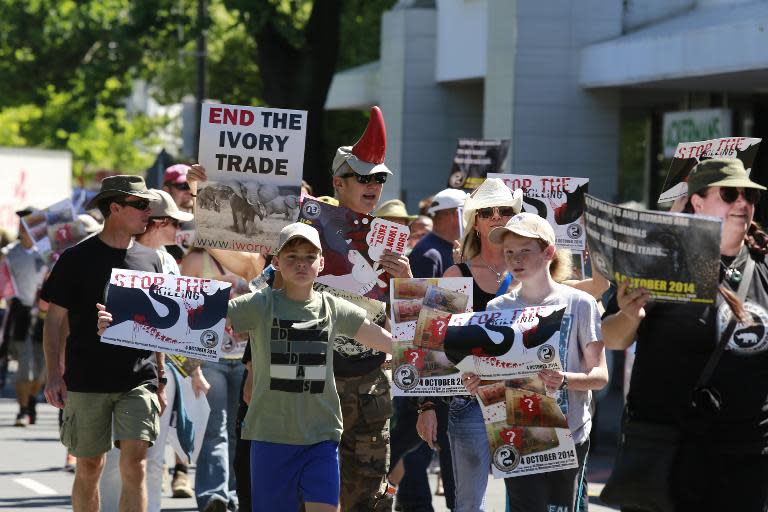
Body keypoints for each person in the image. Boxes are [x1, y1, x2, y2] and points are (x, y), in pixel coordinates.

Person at [98, 222, 395, 512]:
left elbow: (390, 342)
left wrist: (429, 339)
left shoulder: (334, 307)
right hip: (269, 438)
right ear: (276, 261)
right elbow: (189, 318)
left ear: (322, 262)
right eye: (292, 257)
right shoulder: (260, 304)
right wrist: (119, 321)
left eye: (309, 257)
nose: (301, 264)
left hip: (322, 436)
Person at [602, 158, 768, 511]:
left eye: (749, 195)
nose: (742, 203)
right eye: (729, 193)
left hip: (748, 458)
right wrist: (630, 316)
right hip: (671, 456)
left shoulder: (764, 265)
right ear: (698, 201)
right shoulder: (659, 259)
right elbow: (611, 338)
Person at [41, 175, 165, 512]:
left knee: (135, 465)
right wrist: (54, 374)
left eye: (149, 205)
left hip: (138, 378)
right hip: (86, 379)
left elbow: (160, 327)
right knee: (89, 467)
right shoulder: (74, 259)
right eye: (140, 205)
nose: (148, 212)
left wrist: (161, 379)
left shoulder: (150, 260)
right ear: (114, 208)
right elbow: (53, 322)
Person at [481, 212, 608, 512]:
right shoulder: (496, 308)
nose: (515, 259)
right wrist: (478, 383)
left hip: (569, 437)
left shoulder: (579, 303)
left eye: (525, 251)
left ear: (549, 252)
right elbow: (491, 378)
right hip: (517, 437)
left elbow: (600, 375)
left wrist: (565, 379)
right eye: (510, 252)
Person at [97, 189, 210, 512]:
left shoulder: (168, 263)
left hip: (158, 374)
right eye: (175, 223)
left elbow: (179, 325)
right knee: (118, 456)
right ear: (158, 223)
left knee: (153, 456)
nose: (179, 231)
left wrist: (193, 370)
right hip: (114, 373)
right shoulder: (115, 256)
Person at [416, 178, 522, 511]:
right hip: (469, 401)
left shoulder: (528, 271)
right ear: (475, 220)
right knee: (467, 505)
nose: (496, 217)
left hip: (523, 396)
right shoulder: (455, 274)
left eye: (504, 210)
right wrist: (427, 407)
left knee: (528, 502)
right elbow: (431, 345)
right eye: (487, 211)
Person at [330, 106, 413, 511]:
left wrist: (406, 283)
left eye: (378, 178)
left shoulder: (392, 242)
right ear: (338, 182)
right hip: (315, 384)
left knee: (367, 497)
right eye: (362, 177)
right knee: (314, 495)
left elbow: (410, 328)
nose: (372, 185)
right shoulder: (306, 235)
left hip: (370, 386)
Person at [386, 188, 467, 512]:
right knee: (415, 442)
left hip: (440, 369)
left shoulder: (445, 250)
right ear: (451, 215)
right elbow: (418, 313)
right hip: (428, 370)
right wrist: (424, 391)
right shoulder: (430, 253)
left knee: (418, 443)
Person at [3, 208, 47, 427]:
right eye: (21, 222)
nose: (24, 226)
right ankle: (22, 411)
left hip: (44, 315)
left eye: (28, 222)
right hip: (20, 313)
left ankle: (31, 401)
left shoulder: (49, 253)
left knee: (41, 369)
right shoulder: (10, 253)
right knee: (24, 364)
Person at [409, 188, 468, 278]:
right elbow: (420, 292)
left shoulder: (434, 250)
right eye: (467, 212)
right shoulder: (428, 254)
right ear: (457, 215)